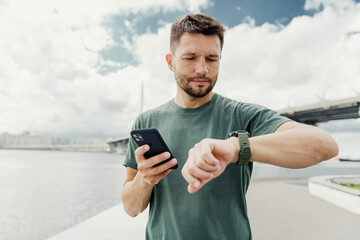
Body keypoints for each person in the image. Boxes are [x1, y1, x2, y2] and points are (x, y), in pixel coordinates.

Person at [121, 13, 339, 240]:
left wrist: (237, 148)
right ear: (170, 61)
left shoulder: (243, 115)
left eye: (212, 59)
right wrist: (144, 179)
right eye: (190, 58)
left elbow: (325, 146)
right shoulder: (146, 123)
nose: (202, 69)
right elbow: (131, 207)